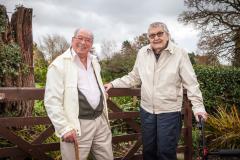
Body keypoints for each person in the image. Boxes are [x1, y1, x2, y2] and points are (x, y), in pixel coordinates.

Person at [104, 22, 208, 160]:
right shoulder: (142, 52)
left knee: (166, 153)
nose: (156, 38)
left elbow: (191, 83)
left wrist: (199, 108)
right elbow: (134, 77)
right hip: (147, 112)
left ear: (167, 35)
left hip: (169, 112)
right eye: (152, 35)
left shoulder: (179, 53)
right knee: (149, 151)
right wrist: (112, 83)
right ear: (148, 38)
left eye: (160, 34)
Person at [44, 28, 113, 160]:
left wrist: (100, 94)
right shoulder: (58, 65)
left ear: (91, 44)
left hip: (100, 121)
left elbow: (93, 84)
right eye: (80, 38)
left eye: (87, 40)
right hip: (77, 125)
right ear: (72, 40)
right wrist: (64, 128)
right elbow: (52, 101)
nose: (83, 42)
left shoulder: (94, 61)